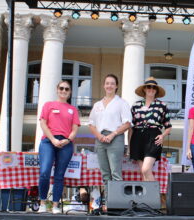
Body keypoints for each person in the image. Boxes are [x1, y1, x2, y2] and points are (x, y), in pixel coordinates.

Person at [88, 74, 131, 209]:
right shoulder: (97, 105)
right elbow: (91, 124)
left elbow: (128, 123)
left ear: (116, 86)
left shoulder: (121, 103)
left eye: (112, 83)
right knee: (105, 173)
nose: (109, 86)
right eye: (107, 83)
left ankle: (118, 204)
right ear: (103, 85)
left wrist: (113, 134)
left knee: (115, 172)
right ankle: (108, 202)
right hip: (100, 139)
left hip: (115, 138)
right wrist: (99, 136)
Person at [38, 81, 80, 214]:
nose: (64, 90)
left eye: (67, 89)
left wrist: (67, 140)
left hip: (65, 144)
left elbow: (74, 130)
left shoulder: (73, 109)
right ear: (57, 90)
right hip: (48, 141)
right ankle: (43, 203)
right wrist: (53, 139)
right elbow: (43, 124)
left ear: (70, 92)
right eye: (61, 88)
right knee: (45, 171)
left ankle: (55, 205)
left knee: (59, 175)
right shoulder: (48, 105)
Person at [129, 77, 172, 181]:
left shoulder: (162, 105)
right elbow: (131, 127)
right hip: (137, 137)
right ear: (144, 89)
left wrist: (162, 136)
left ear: (156, 90)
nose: (151, 89)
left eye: (154, 87)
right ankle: (147, 197)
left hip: (154, 137)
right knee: (143, 174)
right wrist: (129, 146)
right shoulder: (136, 105)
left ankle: (155, 196)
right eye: (148, 87)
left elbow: (168, 127)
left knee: (146, 169)